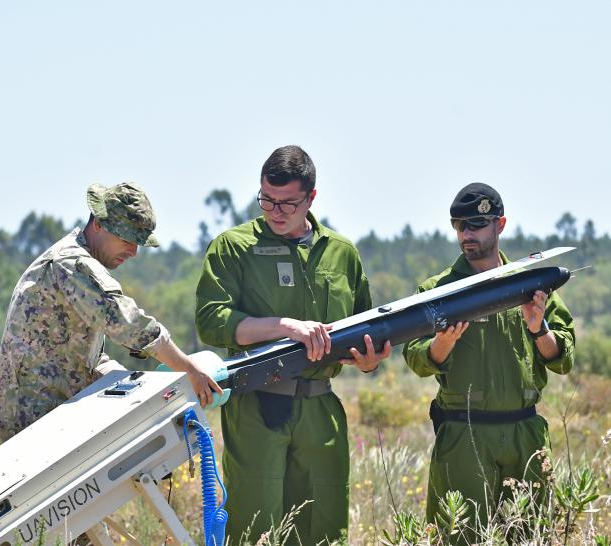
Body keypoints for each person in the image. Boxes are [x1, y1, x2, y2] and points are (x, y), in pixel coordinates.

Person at [194, 145, 390, 544]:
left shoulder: (342, 253)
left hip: (321, 409)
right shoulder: (234, 247)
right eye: (267, 199)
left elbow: (364, 326)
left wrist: (370, 361)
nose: (275, 211)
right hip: (257, 408)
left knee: (323, 528)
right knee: (256, 530)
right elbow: (211, 321)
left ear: (311, 198)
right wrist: (284, 327)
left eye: (287, 203)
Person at [0, 181, 221, 441]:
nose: (133, 252)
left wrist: (138, 390)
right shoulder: (72, 264)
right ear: (98, 224)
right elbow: (129, 324)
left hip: (50, 410)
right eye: (127, 239)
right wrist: (189, 369)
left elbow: (86, 357)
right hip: (35, 417)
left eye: (138, 242)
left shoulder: (74, 259)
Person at [403, 182, 575, 533]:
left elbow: (563, 357)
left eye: (477, 224)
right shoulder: (437, 291)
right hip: (464, 437)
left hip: (525, 437)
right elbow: (416, 358)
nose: (467, 234)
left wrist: (538, 329)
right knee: (460, 536)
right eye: (459, 226)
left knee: (529, 535)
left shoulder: (531, 284)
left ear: (501, 224)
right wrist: (442, 343)